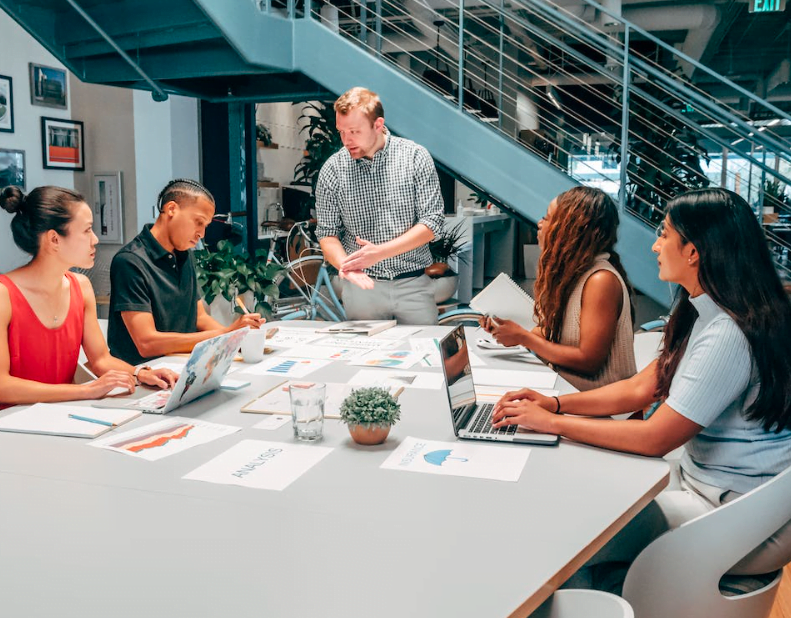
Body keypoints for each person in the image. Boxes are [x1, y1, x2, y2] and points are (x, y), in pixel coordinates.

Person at [493, 188, 791, 582]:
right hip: (714, 488)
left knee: (565, 539)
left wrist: (551, 423)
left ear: (693, 251)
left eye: (664, 234)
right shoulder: (702, 311)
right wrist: (555, 405)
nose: (654, 246)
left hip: (737, 513)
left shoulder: (727, 333)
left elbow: (655, 438)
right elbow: (639, 388)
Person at [0, 186, 177, 417]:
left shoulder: (81, 286)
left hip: (60, 415)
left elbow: (100, 359)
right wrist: (86, 390)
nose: (95, 239)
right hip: (1, 423)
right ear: (54, 239)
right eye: (87, 230)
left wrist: (140, 374)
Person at [480, 186, 636, 391]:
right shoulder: (573, 273)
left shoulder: (600, 280)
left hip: (605, 410)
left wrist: (523, 337)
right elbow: (550, 332)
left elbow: (589, 362)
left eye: (547, 218)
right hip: (570, 392)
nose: (540, 223)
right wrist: (506, 331)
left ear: (570, 229)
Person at [315, 87, 445, 325]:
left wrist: (380, 253)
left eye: (354, 131)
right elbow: (327, 234)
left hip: (413, 286)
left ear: (378, 125)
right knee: (364, 360)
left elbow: (431, 223)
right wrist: (346, 265)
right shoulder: (333, 169)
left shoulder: (415, 157)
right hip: (361, 289)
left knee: (425, 356)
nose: (347, 141)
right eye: (342, 132)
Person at [108, 179, 264, 366]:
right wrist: (225, 333)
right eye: (198, 222)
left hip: (181, 366)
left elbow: (199, 317)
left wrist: (234, 339)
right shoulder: (130, 261)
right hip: (142, 374)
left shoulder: (184, 255)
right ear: (172, 209)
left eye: (205, 225)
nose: (202, 234)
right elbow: (146, 343)